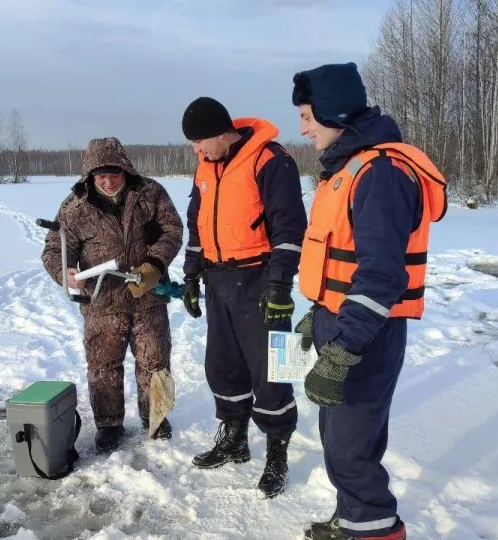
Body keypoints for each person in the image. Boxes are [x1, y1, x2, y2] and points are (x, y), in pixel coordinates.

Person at [291, 63, 447, 540]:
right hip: (341, 324)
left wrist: (342, 350)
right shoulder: (349, 169)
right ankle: (356, 520)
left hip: (363, 336)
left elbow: (381, 277)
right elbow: (343, 259)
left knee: (351, 448)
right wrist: (317, 312)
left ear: (333, 111)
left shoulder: (379, 174)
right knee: (340, 440)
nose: (302, 126)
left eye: (307, 114)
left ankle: (375, 531)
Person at [180, 96, 308, 498]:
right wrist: (190, 275)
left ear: (222, 133)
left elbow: (290, 228)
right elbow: (197, 226)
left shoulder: (270, 160)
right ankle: (234, 438)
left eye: (200, 142)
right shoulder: (206, 167)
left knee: (275, 370)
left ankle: (277, 451)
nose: (196, 151)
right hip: (218, 280)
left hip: (261, 279)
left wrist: (280, 284)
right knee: (222, 365)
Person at [41, 136, 185, 453]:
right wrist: (63, 272)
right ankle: (109, 425)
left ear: (125, 169)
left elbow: (172, 229)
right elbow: (55, 250)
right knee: (103, 366)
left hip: (148, 297)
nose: (107, 181)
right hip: (102, 303)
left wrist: (154, 264)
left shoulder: (150, 193)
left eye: (114, 173)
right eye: (100, 175)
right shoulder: (73, 207)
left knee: (155, 363)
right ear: (89, 175)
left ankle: (157, 419)